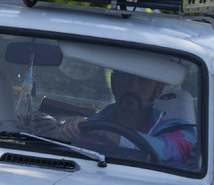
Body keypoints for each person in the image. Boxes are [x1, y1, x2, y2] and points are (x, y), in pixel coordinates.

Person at [58, 70, 197, 166]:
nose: (132, 87)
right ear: (113, 82)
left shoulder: (180, 133)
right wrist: (68, 131)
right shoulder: (85, 127)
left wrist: (104, 133)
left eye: (142, 81)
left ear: (159, 89)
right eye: (125, 78)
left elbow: (169, 152)